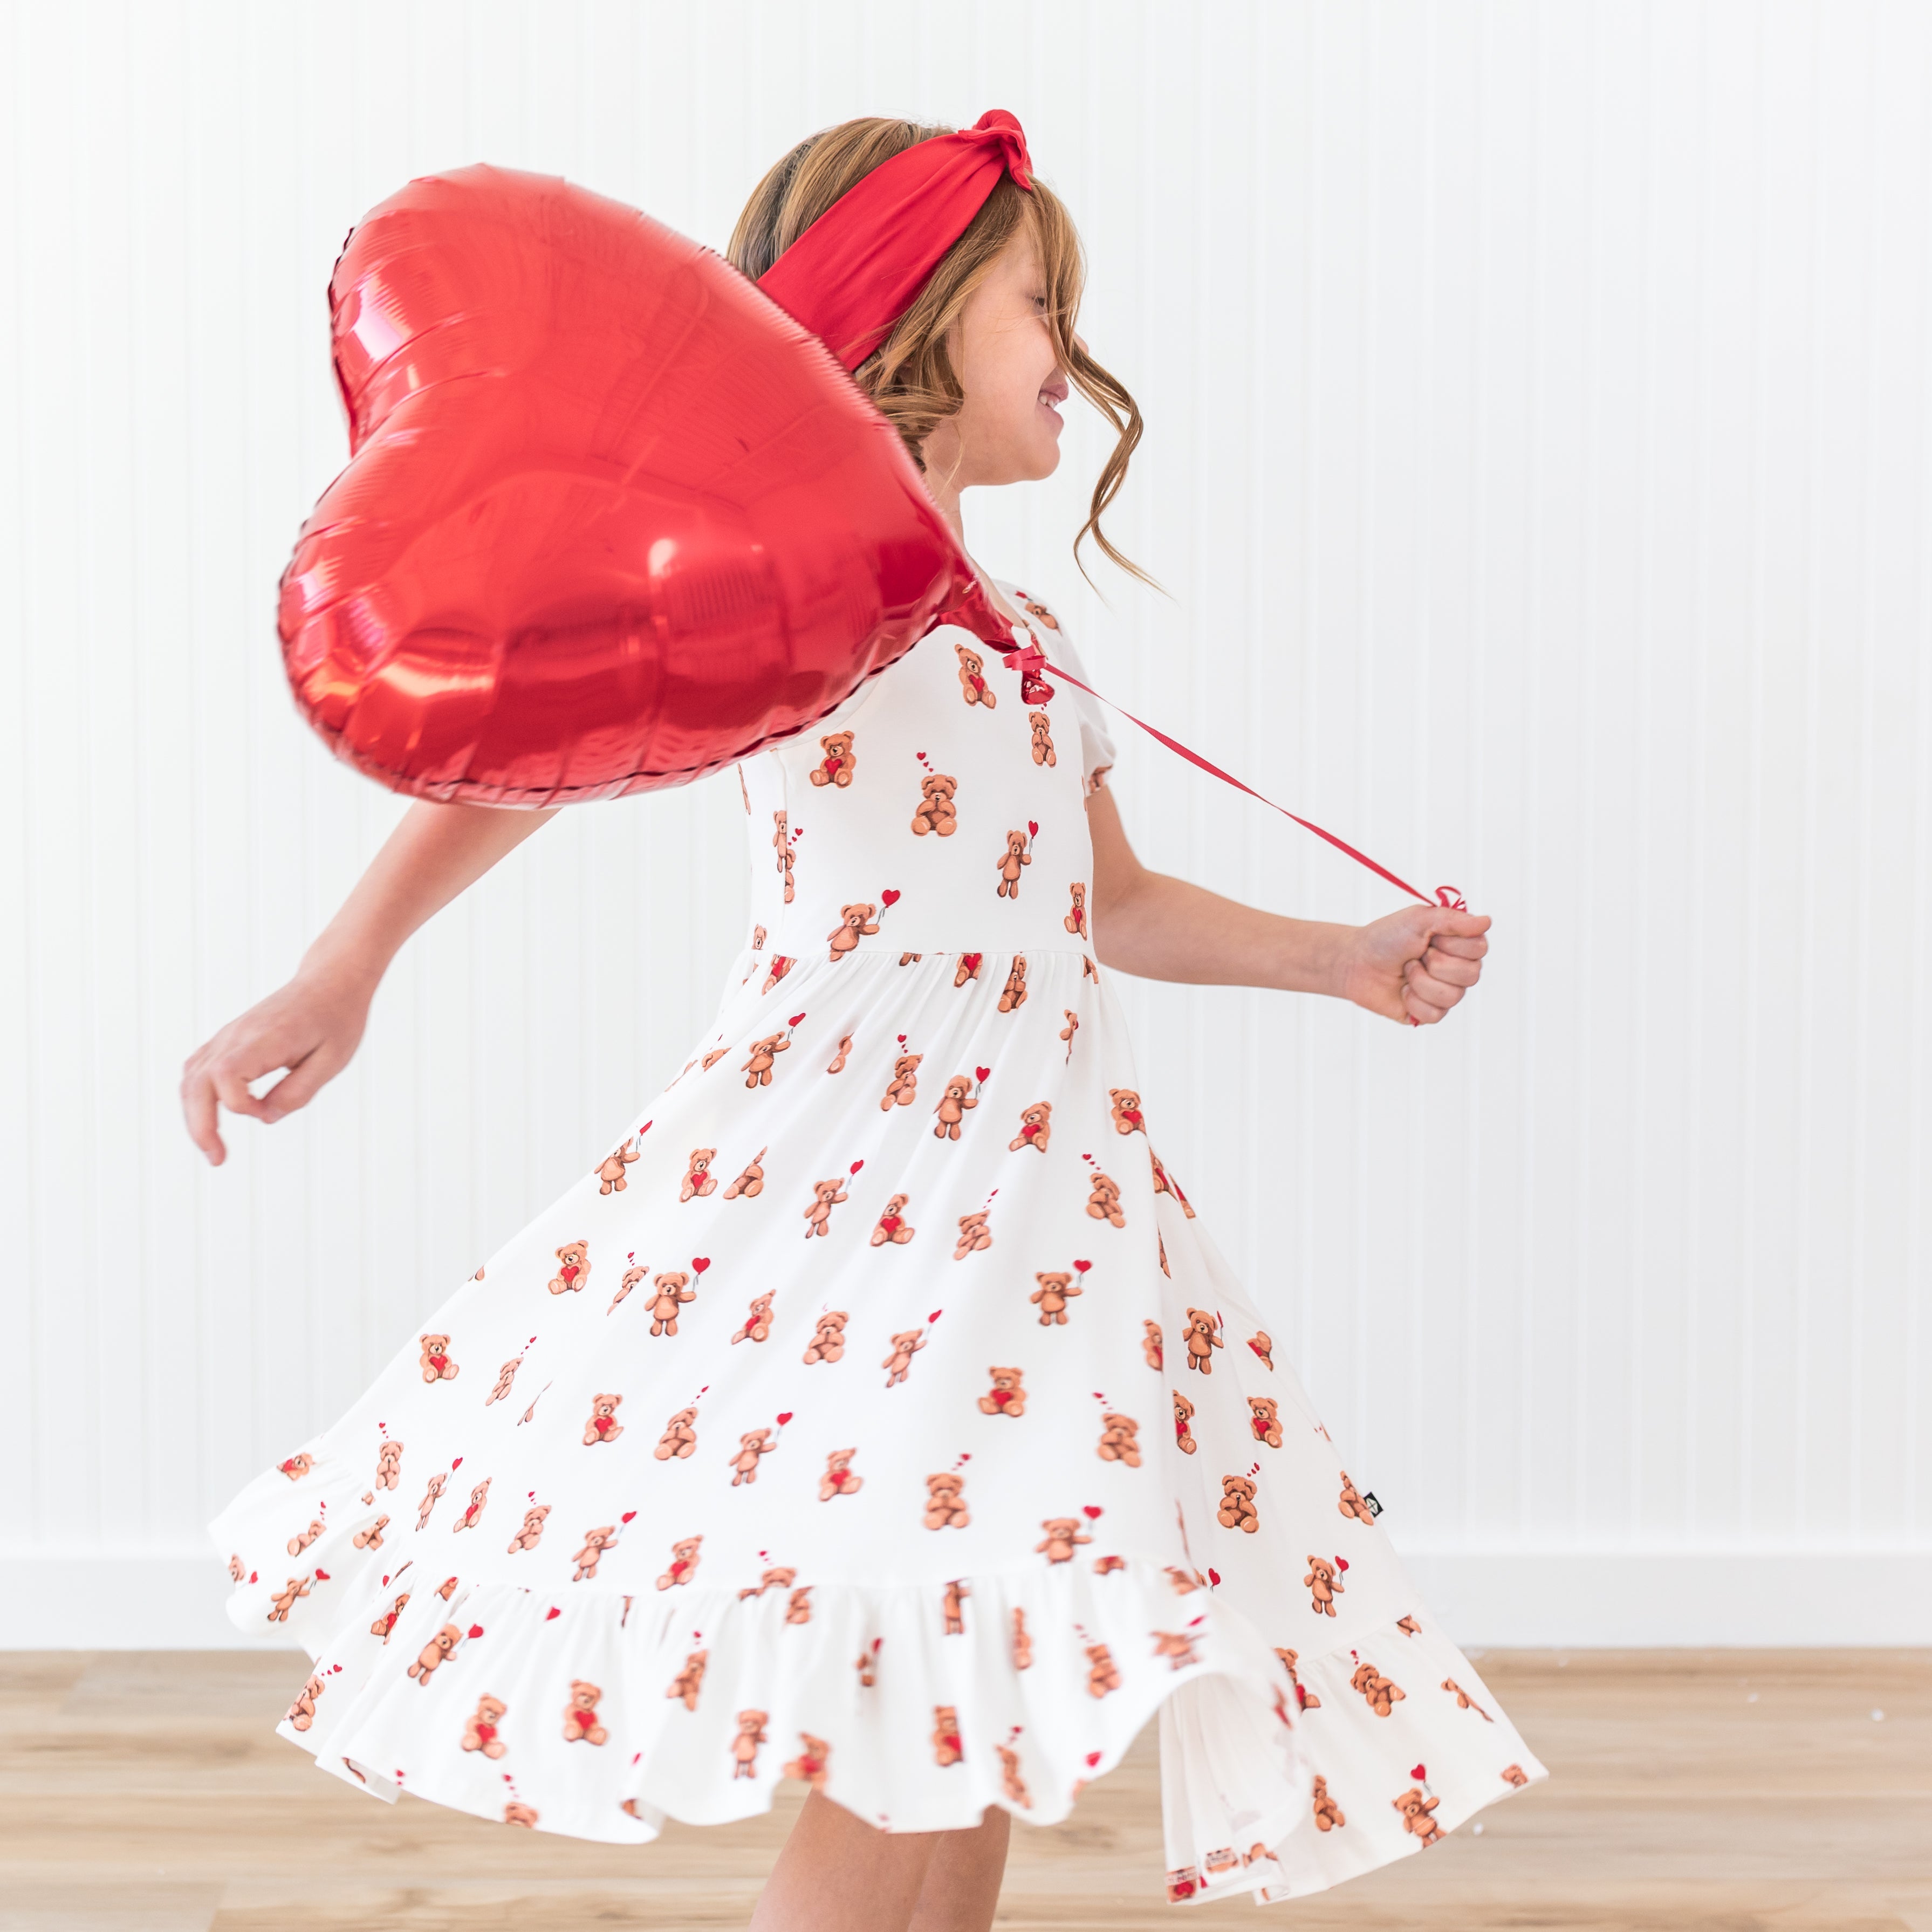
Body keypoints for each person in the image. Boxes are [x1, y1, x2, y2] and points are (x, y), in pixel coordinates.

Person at [186, 112, 1542, 1927]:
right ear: (915, 316)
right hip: (864, 1191)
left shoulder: (1013, 621)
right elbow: (530, 746)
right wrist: (344, 963)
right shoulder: (790, 582)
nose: (1074, 359)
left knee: (958, 1720)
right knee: (919, 1697)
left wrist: (1340, 958)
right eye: (1037, 311)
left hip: (1034, 1198)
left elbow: (1106, 900)